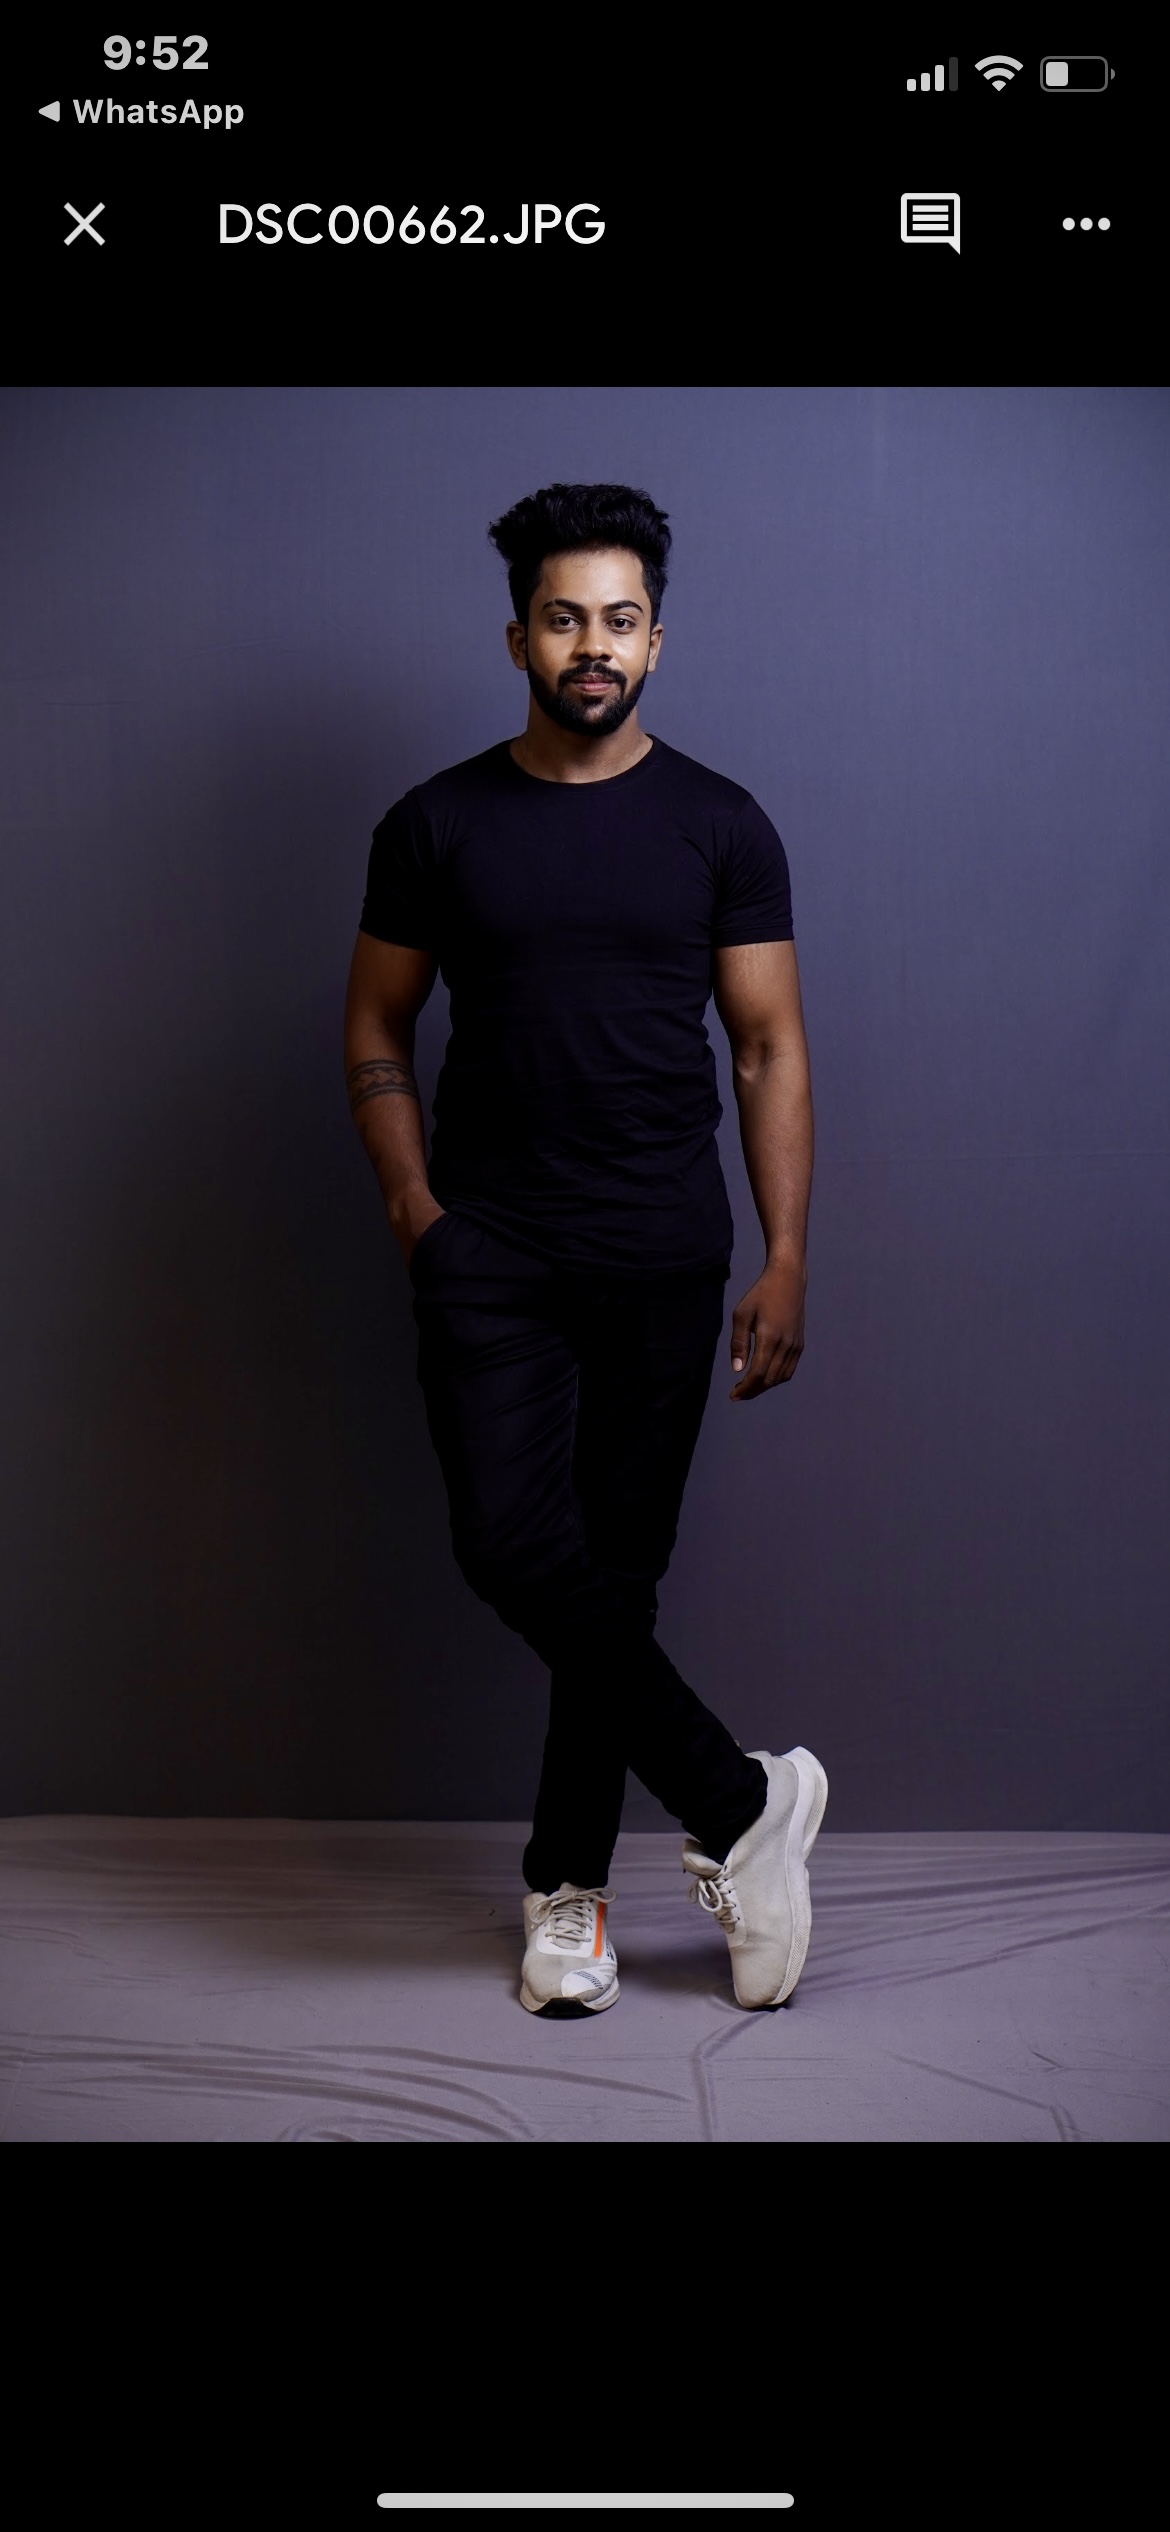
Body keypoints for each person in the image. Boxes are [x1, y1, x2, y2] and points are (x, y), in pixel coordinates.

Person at [343, 482, 827, 2018]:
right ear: (519, 640)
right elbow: (374, 1025)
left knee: (612, 1580)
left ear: (655, 641)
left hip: (662, 1253)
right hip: (489, 1247)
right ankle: (743, 1803)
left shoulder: (719, 822)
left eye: (620, 620)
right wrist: (414, 1209)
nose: (593, 644)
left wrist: (784, 1253)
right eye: (564, 619)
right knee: (512, 1545)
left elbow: (767, 1047)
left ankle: (567, 1895)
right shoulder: (435, 822)